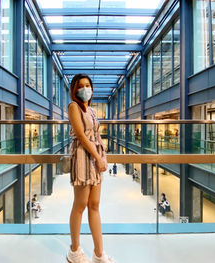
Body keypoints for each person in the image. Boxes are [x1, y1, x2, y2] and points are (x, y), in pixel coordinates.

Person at [67, 74, 116, 263]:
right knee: (80, 205)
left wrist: (103, 157)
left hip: (95, 159)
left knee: (95, 205)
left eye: (88, 85)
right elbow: (81, 135)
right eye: (81, 86)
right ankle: (74, 251)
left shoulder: (92, 110)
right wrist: (97, 157)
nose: (86, 89)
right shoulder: (74, 107)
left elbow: (97, 135)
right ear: (75, 89)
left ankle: (98, 253)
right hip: (82, 157)